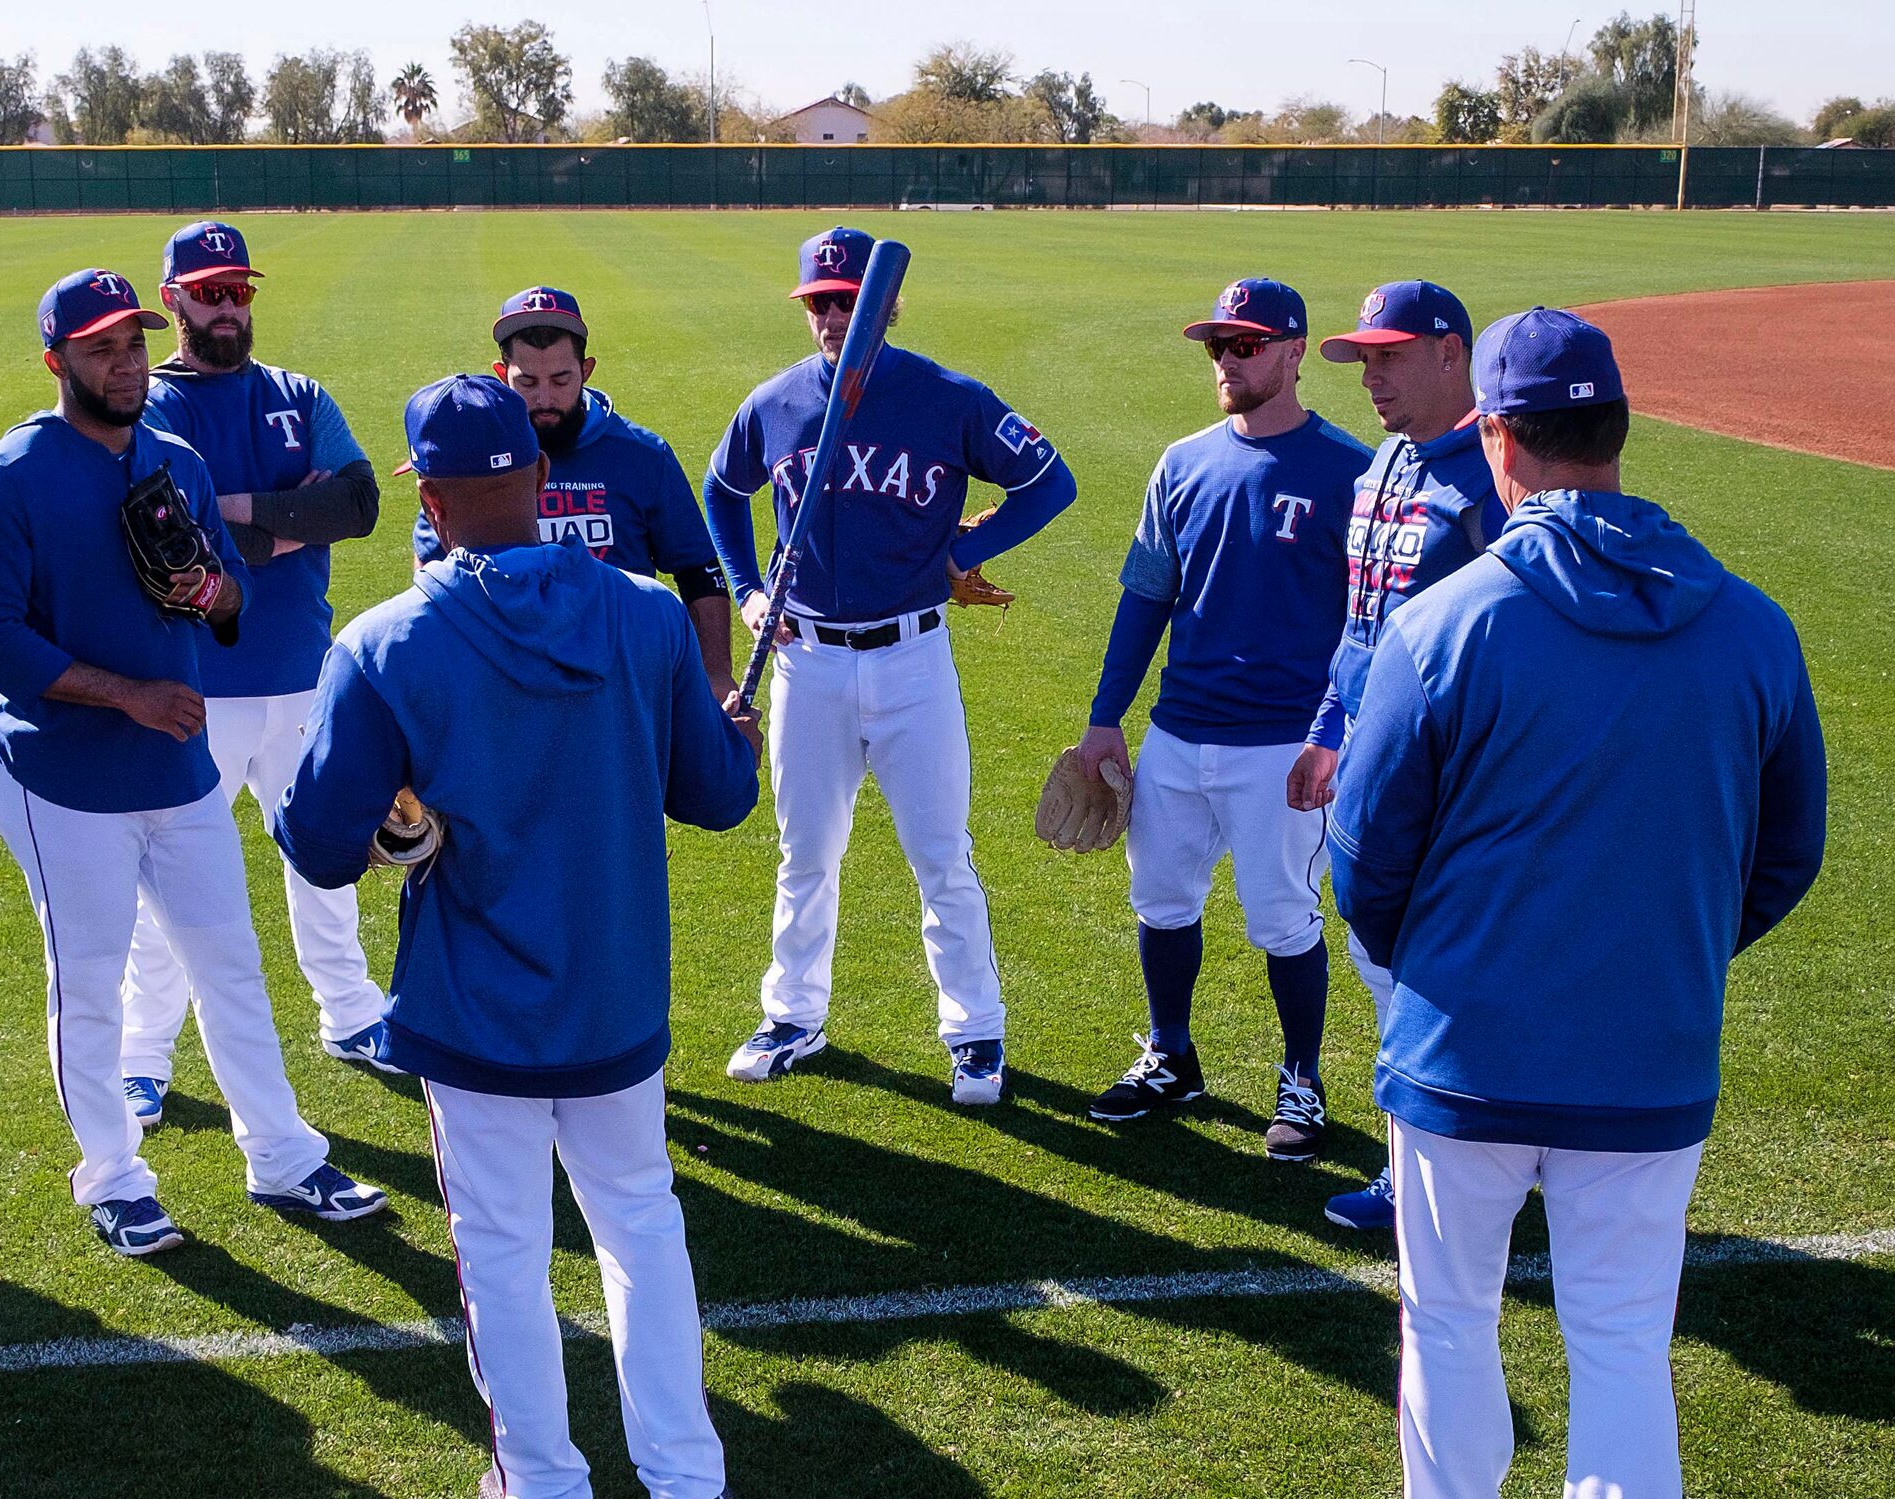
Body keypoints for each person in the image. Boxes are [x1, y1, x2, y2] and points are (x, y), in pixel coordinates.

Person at [1329, 309, 1826, 1499]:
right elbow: (1783, 852)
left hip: (1463, 1054)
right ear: (1618, 432)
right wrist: (1660, 959)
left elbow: (1367, 863)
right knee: (1621, 1345)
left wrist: (1454, 970)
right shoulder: (1748, 622)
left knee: (1449, 1321)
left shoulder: (1445, 621)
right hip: (1647, 1062)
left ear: (1495, 439)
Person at [277, 374, 761, 1499]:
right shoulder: (649, 616)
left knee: (500, 1252)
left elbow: (317, 845)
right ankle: (689, 1488)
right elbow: (720, 798)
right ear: (542, 482)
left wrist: (397, 819)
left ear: (429, 501)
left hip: (472, 1012)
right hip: (614, 1000)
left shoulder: (384, 642)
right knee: (641, 1231)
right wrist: (731, 725)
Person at [0, 266, 385, 1255]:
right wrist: (125, 693)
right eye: (101, 347)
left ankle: (281, 1155)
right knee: (90, 980)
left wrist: (207, 591)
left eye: (135, 343)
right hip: (64, 778)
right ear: (57, 359)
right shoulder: (8, 478)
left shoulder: (175, 461)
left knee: (230, 966)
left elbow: (230, 595)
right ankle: (113, 1175)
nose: (126, 361)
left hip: (176, 767)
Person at [704, 226, 1077, 1106]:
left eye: (846, 299)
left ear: (885, 302)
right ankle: (793, 1016)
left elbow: (1049, 482)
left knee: (941, 852)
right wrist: (749, 589)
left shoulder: (945, 397)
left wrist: (963, 546)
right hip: (808, 664)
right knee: (805, 853)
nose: (833, 316)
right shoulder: (778, 403)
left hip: (913, 659)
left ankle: (974, 1032)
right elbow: (723, 491)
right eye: (819, 304)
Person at [1078, 280, 1370, 1158]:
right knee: (1160, 902)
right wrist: (1103, 720)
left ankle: (1301, 1081)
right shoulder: (1180, 464)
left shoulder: (1350, 472)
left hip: (1283, 740)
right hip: (1177, 732)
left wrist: (1336, 732)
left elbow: (1371, 624)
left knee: (1283, 917)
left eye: (1244, 345)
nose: (1226, 361)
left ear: (1291, 352)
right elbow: (1143, 600)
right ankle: (1171, 1056)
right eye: (1216, 345)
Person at [118, 221, 391, 1129]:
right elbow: (161, 529)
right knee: (171, 886)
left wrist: (235, 516)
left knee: (326, 853)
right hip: (197, 685)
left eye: (238, 289)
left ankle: (349, 1015)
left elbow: (358, 502)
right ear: (173, 301)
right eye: (208, 291)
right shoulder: (154, 404)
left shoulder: (296, 392)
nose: (228, 306)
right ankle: (142, 1058)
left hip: (304, 675)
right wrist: (288, 517)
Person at [1289, 280, 1506, 1232]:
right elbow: (1360, 622)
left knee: (1421, 970)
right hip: (1376, 755)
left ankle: (1426, 1175)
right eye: (1362, 359)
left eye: (1389, 355)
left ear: (1450, 353)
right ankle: (1456, 1161)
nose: (1370, 377)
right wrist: (1329, 727)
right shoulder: (1382, 464)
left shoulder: (1493, 479)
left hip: (1455, 771)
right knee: (1386, 961)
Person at [411, 285, 736, 695]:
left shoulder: (642, 455)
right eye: (526, 382)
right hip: (503, 684)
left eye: (561, 380)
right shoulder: (467, 458)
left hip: (624, 681)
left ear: (587, 371)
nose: (545, 399)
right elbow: (431, 571)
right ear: (500, 374)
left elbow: (699, 572)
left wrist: (716, 673)